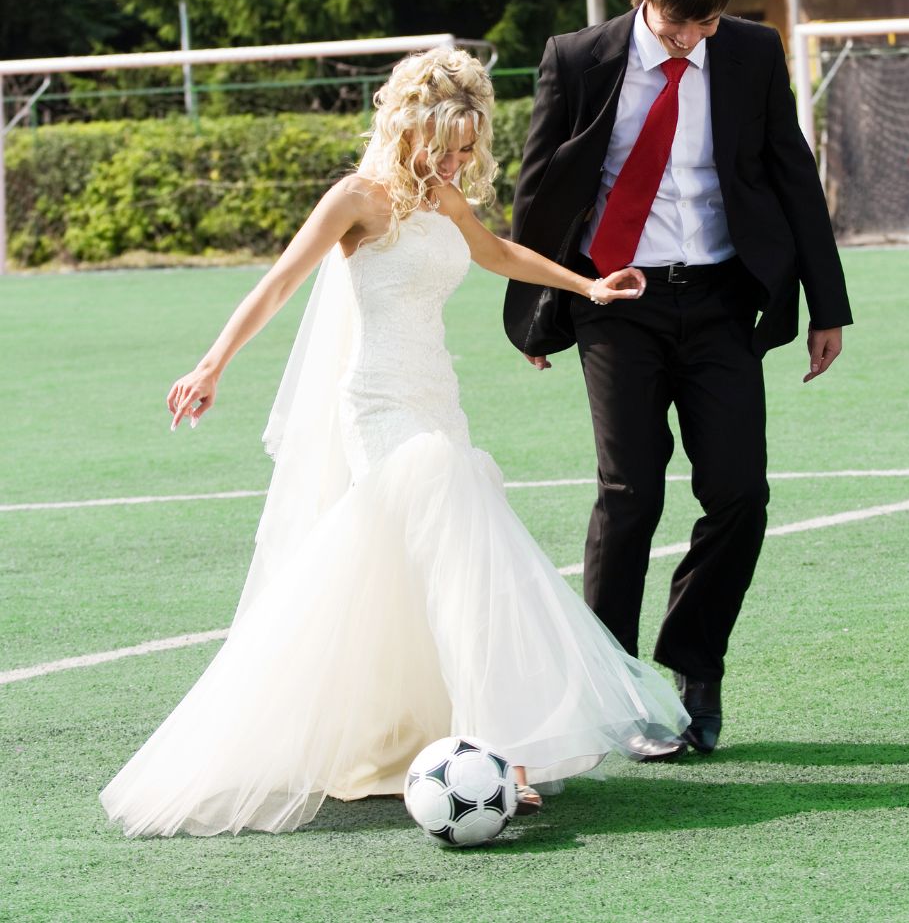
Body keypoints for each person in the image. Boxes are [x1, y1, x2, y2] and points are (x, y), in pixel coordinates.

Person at [99, 48, 689, 838]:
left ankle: (430, 738)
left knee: (435, 567)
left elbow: (495, 253)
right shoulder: (358, 199)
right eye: (443, 145)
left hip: (437, 396)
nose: (454, 161)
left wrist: (587, 284)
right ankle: (499, 751)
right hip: (379, 405)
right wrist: (212, 364)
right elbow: (279, 281)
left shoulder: (444, 197)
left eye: (465, 149)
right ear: (406, 124)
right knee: (462, 550)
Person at [504, 0, 852, 760]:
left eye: (707, 22)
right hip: (616, 298)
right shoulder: (578, 58)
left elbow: (791, 173)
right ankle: (615, 683)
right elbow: (540, 188)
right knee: (632, 494)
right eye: (678, 23)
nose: (694, 38)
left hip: (725, 296)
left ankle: (695, 666)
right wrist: (533, 310)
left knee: (739, 495)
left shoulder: (750, 53)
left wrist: (827, 304)